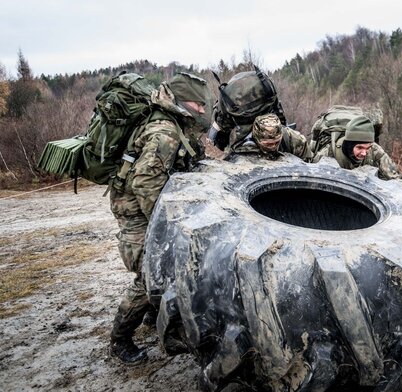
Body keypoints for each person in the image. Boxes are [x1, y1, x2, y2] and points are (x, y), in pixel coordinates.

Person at [109, 72, 211, 364]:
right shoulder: (164, 132)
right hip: (136, 211)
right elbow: (145, 183)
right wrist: (166, 224)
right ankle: (119, 339)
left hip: (141, 206)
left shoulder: (173, 125)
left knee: (160, 270)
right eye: (197, 104)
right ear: (180, 101)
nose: (202, 110)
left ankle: (153, 314)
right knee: (149, 274)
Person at [224, 113, 312, 160]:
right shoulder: (240, 146)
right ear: (256, 139)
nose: (273, 147)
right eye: (268, 144)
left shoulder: (296, 141)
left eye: (276, 142)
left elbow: (308, 164)